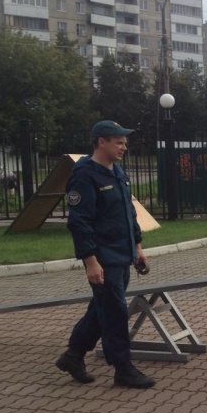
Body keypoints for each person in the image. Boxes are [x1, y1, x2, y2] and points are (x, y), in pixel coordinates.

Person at [55, 120, 155, 389]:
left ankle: (73, 355)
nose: (124, 147)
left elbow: (129, 212)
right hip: (103, 258)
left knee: (102, 310)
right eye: (119, 142)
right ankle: (122, 368)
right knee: (114, 313)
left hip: (123, 254)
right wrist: (90, 261)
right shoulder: (85, 174)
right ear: (102, 142)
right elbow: (80, 222)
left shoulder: (117, 171)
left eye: (124, 142)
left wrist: (137, 247)